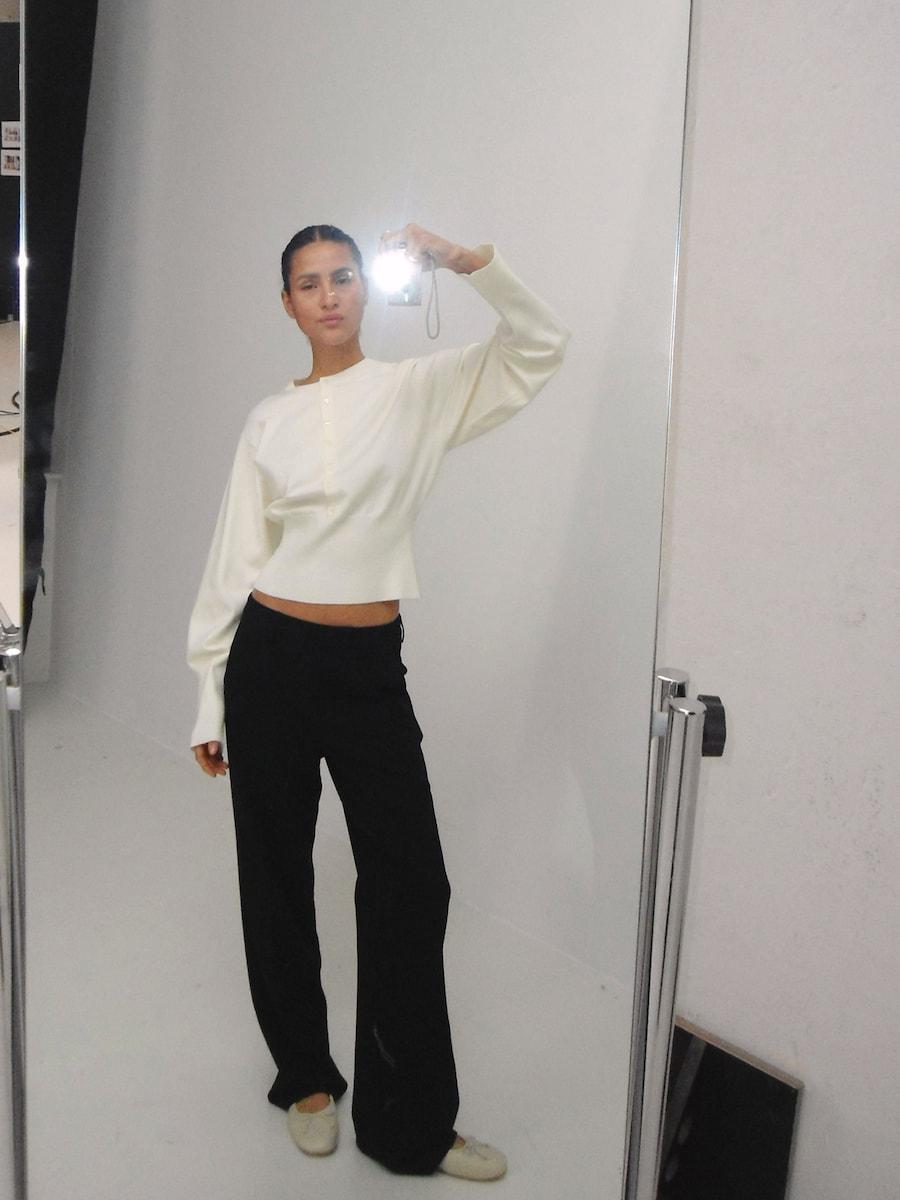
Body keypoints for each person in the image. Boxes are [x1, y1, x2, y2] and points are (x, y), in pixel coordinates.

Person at [186, 222, 569, 1180]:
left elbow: (540, 346)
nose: (329, 295)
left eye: (343, 277)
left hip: (366, 667)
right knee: (275, 872)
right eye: (308, 283)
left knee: (410, 881)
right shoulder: (268, 420)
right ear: (287, 304)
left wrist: (473, 265)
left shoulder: (417, 391)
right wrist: (207, 694)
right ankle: (306, 1079)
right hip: (269, 661)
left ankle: (409, 1124)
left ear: (365, 289)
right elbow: (235, 557)